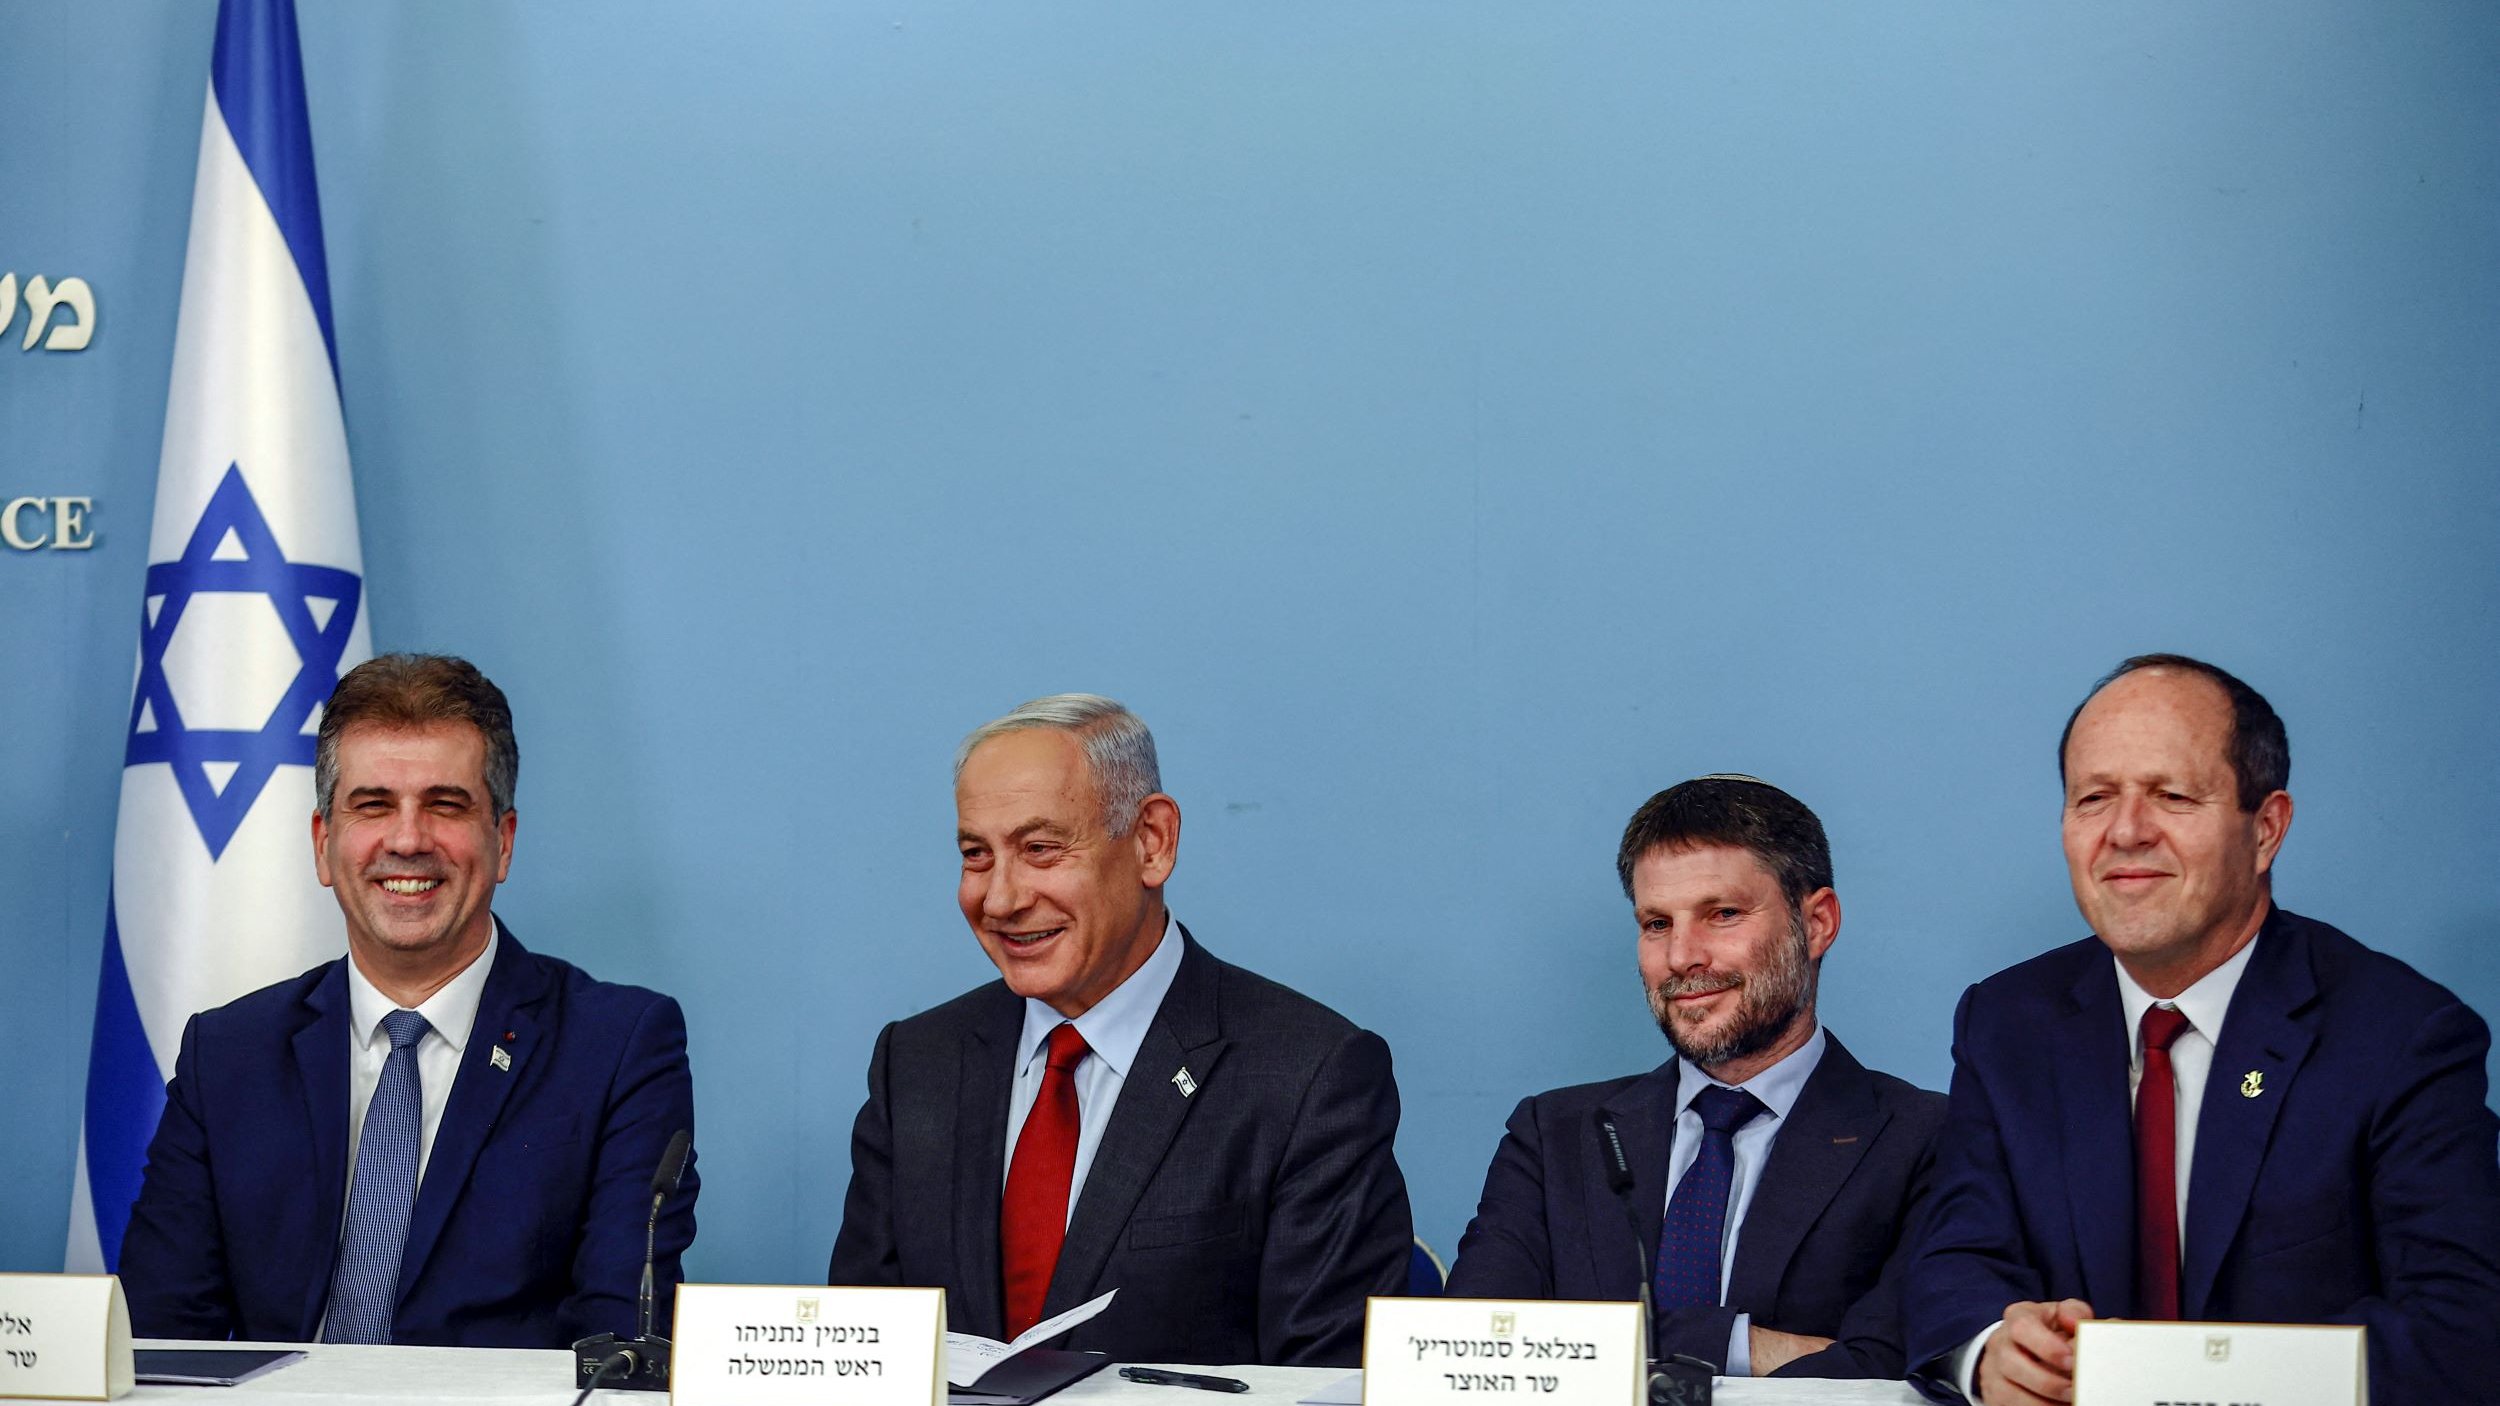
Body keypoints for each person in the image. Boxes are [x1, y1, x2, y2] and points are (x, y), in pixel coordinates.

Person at [1905, 654, 2500, 1404]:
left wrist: (2175, 1383)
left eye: (2172, 795)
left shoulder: (2403, 1035)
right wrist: (1992, 1351)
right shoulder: (2007, 1021)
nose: (2125, 832)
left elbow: (2458, 1325)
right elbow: (1953, 1260)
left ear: (2266, 829)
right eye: (2093, 797)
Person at [119, 654, 698, 1347]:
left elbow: (618, 1343)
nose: (407, 839)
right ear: (324, 844)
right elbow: (163, 1334)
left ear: (503, 842)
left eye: (445, 805)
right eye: (373, 805)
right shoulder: (229, 1054)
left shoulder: (617, 1046)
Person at [828, 694, 1410, 1366]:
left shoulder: (1307, 1075)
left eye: (1041, 849)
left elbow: (1325, 1381)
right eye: (976, 854)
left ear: (1151, 843)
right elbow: (861, 1357)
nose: (1001, 899)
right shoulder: (918, 1064)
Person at [1445, 775, 1945, 1378]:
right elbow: (1472, 1354)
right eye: (1657, 924)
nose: (1682, 957)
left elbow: (1914, 1365)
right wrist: (1766, 1347)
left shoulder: (1927, 1138)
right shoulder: (1555, 1134)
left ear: (1816, 924)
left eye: (1723, 914)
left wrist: (1637, 1343)